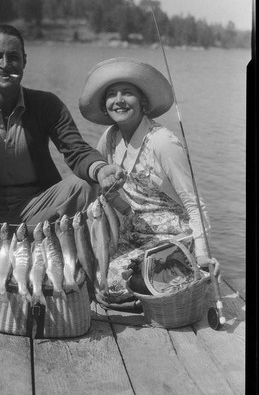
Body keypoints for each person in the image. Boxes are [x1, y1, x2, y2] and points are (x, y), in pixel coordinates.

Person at [0, 24, 125, 236]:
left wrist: (101, 170)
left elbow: (76, 150)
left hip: (37, 210)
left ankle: (49, 250)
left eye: (13, 57)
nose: (5, 64)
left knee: (85, 186)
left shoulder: (47, 104)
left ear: (24, 61)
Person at [79, 57, 220, 300]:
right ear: (105, 105)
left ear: (143, 103)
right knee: (87, 275)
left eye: (128, 93)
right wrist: (118, 210)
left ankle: (188, 270)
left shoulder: (162, 141)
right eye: (112, 94)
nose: (119, 100)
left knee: (113, 285)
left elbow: (194, 203)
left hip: (172, 238)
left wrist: (202, 254)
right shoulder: (109, 138)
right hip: (133, 233)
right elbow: (105, 191)